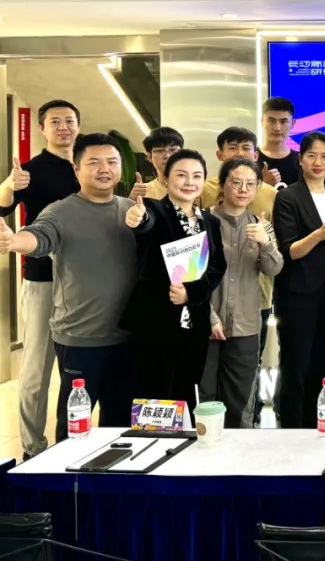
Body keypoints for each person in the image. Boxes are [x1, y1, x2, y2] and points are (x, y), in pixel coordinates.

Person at [0, 133, 148, 445]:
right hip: (81, 339)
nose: (104, 169)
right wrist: (13, 241)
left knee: (121, 428)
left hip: (129, 338)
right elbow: (39, 237)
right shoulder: (60, 211)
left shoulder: (132, 210)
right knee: (73, 432)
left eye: (111, 162)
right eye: (94, 162)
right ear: (76, 168)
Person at [0, 100, 81, 460]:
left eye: (69, 120)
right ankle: (33, 449)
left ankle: (75, 441)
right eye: (55, 122)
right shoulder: (30, 171)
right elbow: (2, 205)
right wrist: (8, 185)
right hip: (43, 281)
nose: (63, 127)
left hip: (87, 284)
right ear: (42, 128)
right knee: (37, 369)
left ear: (79, 125)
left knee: (78, 368)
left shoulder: (89, 166)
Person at [123, 149, 227, 411]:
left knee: (187, 389)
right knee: (154, 394)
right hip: (156, 322)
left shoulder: (210, 221)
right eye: (181, 175)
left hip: (195, 323)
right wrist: (138, 218)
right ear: (166, 179)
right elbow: (144, 223)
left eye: (197, 176)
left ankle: (183, 437)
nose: (189, 182)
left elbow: (218, 265)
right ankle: (154, 437)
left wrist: (192, 292)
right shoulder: (154, 210)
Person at [200, 127, 280, 424]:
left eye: (250, 184)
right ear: (222, 185)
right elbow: (188, 277)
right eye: (235, 182)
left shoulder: (261, 224)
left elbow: (274, 268)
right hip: (206, 323)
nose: (243, 189)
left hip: (246, 324)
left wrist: (265, 243)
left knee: (240, 401)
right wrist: (209, 316)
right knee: (205, 397)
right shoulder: (202, 222)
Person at [272, 131, 325, 428]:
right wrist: (318, 235)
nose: (318, 162)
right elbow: (289, 250)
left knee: (322, 364)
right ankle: (292, 428)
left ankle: (315, 425)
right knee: (295, 364)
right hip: (298, 294)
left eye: (324, 156)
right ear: (301, 159)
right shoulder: (288, 197)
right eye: (312, 155)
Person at [259, 97, 302, 188]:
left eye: (283, 121)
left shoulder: (301, 161)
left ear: (293, 123)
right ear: (262, 121)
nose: (277, 128)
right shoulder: (251, 159)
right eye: (271, 121)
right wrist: (262, 184)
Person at [135, 126, 184, 202]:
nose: (167, 156)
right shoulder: (143, 192)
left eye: (172, 150)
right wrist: (131, 201)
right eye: (160, 151)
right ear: (149, 157)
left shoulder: (197, 188)